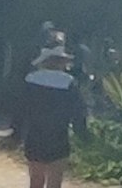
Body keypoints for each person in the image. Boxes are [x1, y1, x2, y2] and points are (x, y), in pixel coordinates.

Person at [12, 46, 86, 188]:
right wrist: (82, 133)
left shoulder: (30, 80)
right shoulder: (69, 82)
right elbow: (78, 111)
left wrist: (16, 133)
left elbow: (20, 110)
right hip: (58, 137)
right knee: (55, 181)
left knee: (36, 180)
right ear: (61, 63)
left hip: (35, 136)